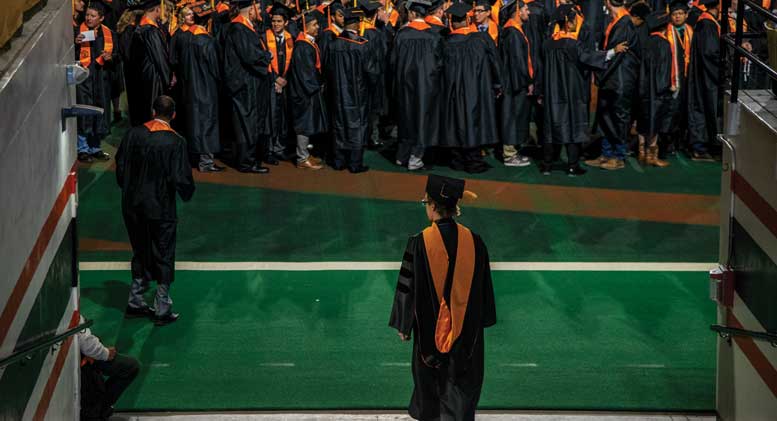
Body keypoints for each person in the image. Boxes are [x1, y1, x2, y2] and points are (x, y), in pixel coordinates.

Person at [389, 174, 497, 421]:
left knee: (430, 378)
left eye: (426, 203)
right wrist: (484, 318)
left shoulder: (419, 243)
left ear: (433, 206)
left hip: (429, 328)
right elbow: (484, 286)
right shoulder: (475, 241)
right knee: (463, 379)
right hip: (467, 330)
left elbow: (409, 285)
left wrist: (404, 324)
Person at [115, 96, 195, 326]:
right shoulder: (175, 142)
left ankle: (136, 299)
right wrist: (186, 192)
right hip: (160, 207)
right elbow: (182, 179)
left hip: (132, 205)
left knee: (140, 249)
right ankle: (162, 306)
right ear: (174, 114)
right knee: (164, 252)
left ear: (153, 111)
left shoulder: (133, 135)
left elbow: (121, 169)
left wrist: (130, 190)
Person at [542, 4, 624, 176]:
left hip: (552, 92)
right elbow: (589, 57)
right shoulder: (572, 44)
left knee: (551, 127)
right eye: (573, 20)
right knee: (573, 126)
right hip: (572, 91)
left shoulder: (548, 44)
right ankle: (572, 166)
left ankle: (547, 165)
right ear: (567, 22)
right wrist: (612, 51)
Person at [440, 1, 501, 174]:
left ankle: (457, 160)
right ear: (468, 20)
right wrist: (498, 84)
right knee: (474, 122)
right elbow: (495, 64)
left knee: (456, 122)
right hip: (477, 89)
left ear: (452, 22)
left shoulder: (446, 43)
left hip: (453, 91)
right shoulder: (482, 39)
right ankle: (474, 162)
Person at [585, 0, 641, 171]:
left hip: (620, 79)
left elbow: (617, 56)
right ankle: (606, 154)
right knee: (605, 117)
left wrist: (599, 72)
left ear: (608, 2)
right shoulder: (616, 21)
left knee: (618, 118)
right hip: (612, 78)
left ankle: (618, 156)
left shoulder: (624, 23)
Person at [390, 0, 443, 170]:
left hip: (404, 84)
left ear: (412, 14)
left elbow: (393, 62)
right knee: (423, 119)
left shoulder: (402, 34)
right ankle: (416, 157)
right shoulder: (434, 36)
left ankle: (402, 155)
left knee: (406, 117)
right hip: (427, 86)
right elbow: (439, 63)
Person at [324, 6, 378, 172]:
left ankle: (339, 161)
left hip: (337, 93)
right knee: (357, 125)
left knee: (339, 124)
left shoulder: (333, 44)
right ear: (355, 25)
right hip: (357, 93)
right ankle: (355, 163)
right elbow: (372, 72)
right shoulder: (361, 45)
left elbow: (327, 69)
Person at [223, 0, 274, 173]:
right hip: (244, 84)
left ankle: (249, 160)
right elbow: (249, 56)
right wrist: (267, 56)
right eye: (258, 8)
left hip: (248, 82)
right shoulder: (239, 28)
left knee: (250, 122)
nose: (259, 11)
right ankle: (247, 163)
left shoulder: (244, 27)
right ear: (250, 10)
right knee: (247, 123)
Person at [170, 7, 224, 172]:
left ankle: (194, 157)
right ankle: (206, 162)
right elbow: (215, 68)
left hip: (188, 87)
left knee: (192, 122)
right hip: (205, 87)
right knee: (206, 122)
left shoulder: (185, 39)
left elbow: (174, 60)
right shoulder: (205, 40)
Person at [75, 2, 115, 163]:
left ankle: (96, 147)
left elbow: (118, 55)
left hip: (101, 78)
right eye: (87, 15)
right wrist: (75, 43)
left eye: (93, 16)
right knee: (84, 111)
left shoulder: (108, 33)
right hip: (83, 79)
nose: (89, 18)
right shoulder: (77, 31)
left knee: (99, 111)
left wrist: (110, 57)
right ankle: (82, 148)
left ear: (101, 18)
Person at [78, 315, 140, 420]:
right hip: (82, 356)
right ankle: (95, 411)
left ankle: (97, 409)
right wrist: (105, 353)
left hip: (81, 352)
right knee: (130, 367)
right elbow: (86, 343)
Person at [288, 7, 327, 169]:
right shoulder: (303, 46)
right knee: (304, 124)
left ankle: (304, 154)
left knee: (308, 123)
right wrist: (317, 86)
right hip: (304, 92)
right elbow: (306, 74)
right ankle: (302, 158)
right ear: (306, 27)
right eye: (314, 25)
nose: (317, 27)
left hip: (307, 90)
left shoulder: (308, 43)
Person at [126, 0, 173, 126]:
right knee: (152, 110)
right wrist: (168, 77)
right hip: (152, 78)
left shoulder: (139, 28)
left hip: (140, 77)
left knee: (142, 109)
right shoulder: (150, 31)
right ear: (157, 10)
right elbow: (160, 58)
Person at [499, 0, 533, 167]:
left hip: (512, 81)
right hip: (514, 82)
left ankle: (511, 151)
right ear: (518, 11)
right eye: (526, 9)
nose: (529, 12)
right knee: (511, 116)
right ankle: (509, 154)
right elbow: (518, 62)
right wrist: (527, 81)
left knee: (512, 115)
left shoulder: (513, 30)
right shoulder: (512, 32)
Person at [636, 11, 672, 167]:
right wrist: (665, 88)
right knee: (655, 122)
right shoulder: (664, 44)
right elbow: (664, 71)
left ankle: (641, 152)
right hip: (657, 91)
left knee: (643, 120)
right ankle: (652, 155)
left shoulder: (645, 42)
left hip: (643, 88)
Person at [686, 0, 720, 161]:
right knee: (704, 108)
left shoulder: (706, 22)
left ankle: (702, 147)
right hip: (707, 76)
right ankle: (700, 149)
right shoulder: (707, 24)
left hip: (703, 74)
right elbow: (710, 53)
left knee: (702, 108)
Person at [262, 2, 296, 163]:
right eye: (274, 21)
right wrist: (275, 79)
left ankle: (279, 148)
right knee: (270, 118)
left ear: (286, 22)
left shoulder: (290, 39)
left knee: (282, 118)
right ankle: (268, 150)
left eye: (279, 21)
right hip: (268, 84)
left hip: (284, 85)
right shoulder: (263, 37)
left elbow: (293, 63)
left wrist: (284, 80)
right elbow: (262, 61)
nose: (276, 24)